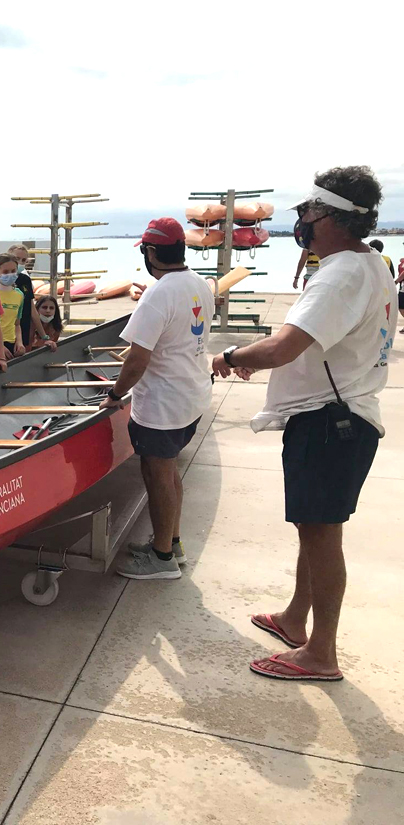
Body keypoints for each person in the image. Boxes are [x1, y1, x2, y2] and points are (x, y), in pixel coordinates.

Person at [212, 166, 390, 683]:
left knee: (321, 536)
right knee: (312, 530)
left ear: (332, 217)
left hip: (330, 422)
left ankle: (321, 654)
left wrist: (231, 356)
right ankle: (295, 619)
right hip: (342, 417)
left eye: (308, 213)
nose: (303, 223)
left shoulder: (338, 273)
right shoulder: (370, 262)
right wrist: (260, 357)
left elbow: (285, 345)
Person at [98, 218, 213, 581]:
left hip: (164, 404)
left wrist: (115, 395)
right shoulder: (199, 284)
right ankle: (171, 541)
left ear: (151, 252)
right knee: (169, 470)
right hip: (190, 396)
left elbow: (137, 359)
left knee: (158, 474)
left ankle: (162, 559)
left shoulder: (158, 293)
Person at [0, 253, 25, 357]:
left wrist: (19, 342)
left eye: (13, 271)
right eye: (5, 272)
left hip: (12, 344)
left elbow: (17, 324)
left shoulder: (19, 294)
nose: (10, 274)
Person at [8, 243, 39, 349]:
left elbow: (32, 309)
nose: (20, 263)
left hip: (23, 329)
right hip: (6, 333)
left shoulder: (25, 280)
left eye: (23, 260)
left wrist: (43, 335)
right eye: (17, 258)